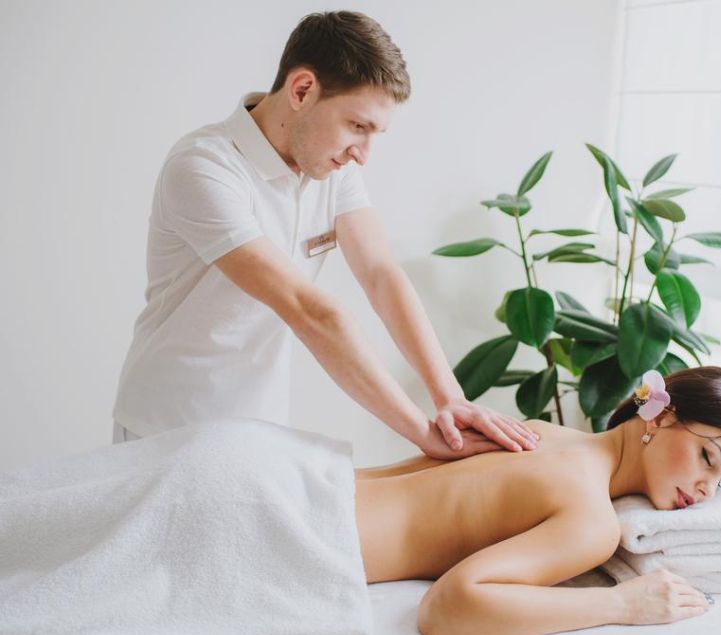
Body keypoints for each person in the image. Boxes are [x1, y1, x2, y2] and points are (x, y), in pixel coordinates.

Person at [111, 11, 536, 459]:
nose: (364, 154)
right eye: (357, 126)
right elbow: (310, 312)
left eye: (375, 133)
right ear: (301, 90)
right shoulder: (204, 168)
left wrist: (450, 398)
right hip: (168, 427)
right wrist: (424, 435)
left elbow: (380, 274)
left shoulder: (332, 169)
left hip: (260, 425)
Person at [353, 366, 721, 635]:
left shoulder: (543, 432)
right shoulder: (592, 520)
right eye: (707, 458)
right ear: (659, 417)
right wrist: (625, 603)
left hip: (333, 478)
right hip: (328, 532)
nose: (707, 492)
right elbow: (446, 608)